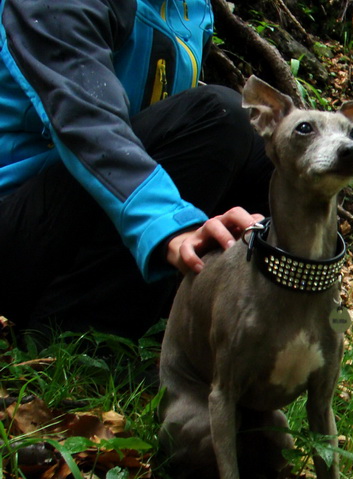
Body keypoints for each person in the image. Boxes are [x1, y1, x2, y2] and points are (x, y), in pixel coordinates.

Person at [0, 0, 274, 341]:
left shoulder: (193, 8)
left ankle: (250, 331)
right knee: (221, 115)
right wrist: (173, 225)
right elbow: (85, 118)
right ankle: (79, 333)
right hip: (17, 220)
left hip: (93, 215)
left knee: (269, 154)